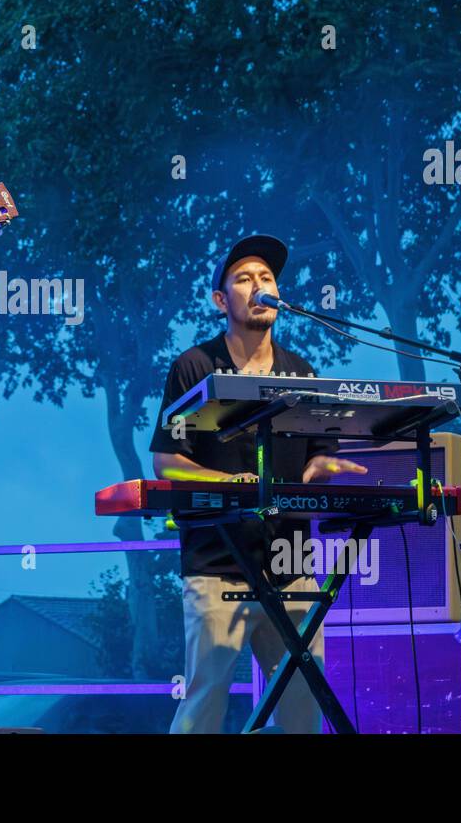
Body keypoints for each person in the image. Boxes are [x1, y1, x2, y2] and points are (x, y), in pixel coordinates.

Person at [150, 234, 367, 733]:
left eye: (267, 278)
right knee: (204, 702)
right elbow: (168, 462)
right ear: (221, 300)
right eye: (244, 279)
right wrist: (231, 482)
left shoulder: (301, 371)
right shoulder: (195, 366)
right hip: (217, 563)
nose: (259, 286)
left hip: (291, 563)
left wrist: (325, 466)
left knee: (301, 706)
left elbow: (320, 453)